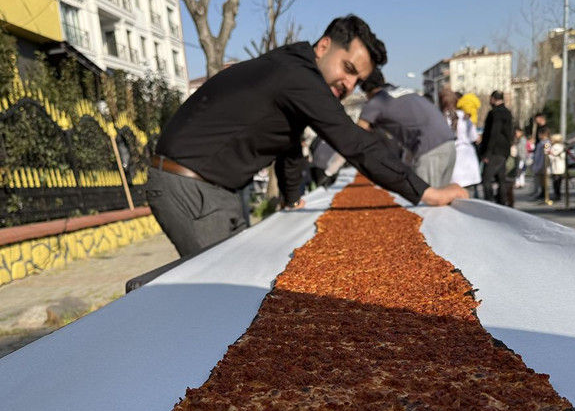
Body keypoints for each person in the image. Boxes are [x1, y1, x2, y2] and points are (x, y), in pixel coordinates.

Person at [146, 15, 467, 257]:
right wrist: (426, 193)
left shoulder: (291, 71)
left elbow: (287, 145)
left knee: (238, 281)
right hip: (192, 188)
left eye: (358, 80)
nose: (349, 84)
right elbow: (354, 142)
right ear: (324, 46)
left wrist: (289, 196)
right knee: (225, 289)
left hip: (211, 188)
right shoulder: (297, 75)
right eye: (348, 68)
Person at [356, 69, 457, 188]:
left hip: (429, 150)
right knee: (441, 198)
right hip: (448, 144)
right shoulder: (404, 91)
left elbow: (356, 136)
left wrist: (331, 171)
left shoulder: (376, 101)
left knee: (427, 200)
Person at [478, 90, 514, 206]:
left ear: (493, 99)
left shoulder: (495, 113)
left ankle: (489, 203)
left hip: (494, 152)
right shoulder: (507, 112)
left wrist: (487, 153)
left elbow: (493, 133)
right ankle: (502, 202)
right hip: (504, 151)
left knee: (486, 179)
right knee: (501, 179)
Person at [548, 133, 567, 201]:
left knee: (556, 182)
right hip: (559, 166)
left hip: (557, 166)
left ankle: (557, 195)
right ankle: (557, 194)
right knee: (557, 182)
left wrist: (549, 154)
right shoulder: (560, 146)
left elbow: (553, 155)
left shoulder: (555, 147)